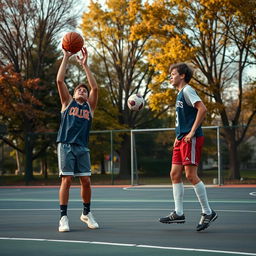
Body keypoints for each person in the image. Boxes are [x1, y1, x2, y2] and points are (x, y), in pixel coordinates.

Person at [159, 63, 217, 231]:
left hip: (190, 139)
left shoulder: (187, 90)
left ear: (182, 76)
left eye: (173, 73)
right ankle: (178, 212)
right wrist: (178, 137)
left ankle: (208, 212)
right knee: (174, 174)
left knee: (191, 175)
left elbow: (202, 109)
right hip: (181, 139)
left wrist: (191, 132)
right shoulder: (179, 94)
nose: (170, 76)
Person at [56, 47, 99, 232]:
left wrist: (85, 65)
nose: (82, 90)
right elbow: (59, 80)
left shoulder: (90, 108)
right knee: (66, 180)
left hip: (82, 147)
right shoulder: (67, 103)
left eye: (84, 90)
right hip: (65, 146)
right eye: (79, 89)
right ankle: (63, 217)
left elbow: (95, 87)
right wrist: (66, 56)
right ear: (73, 94)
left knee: (86, 182)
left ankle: (86, 213)